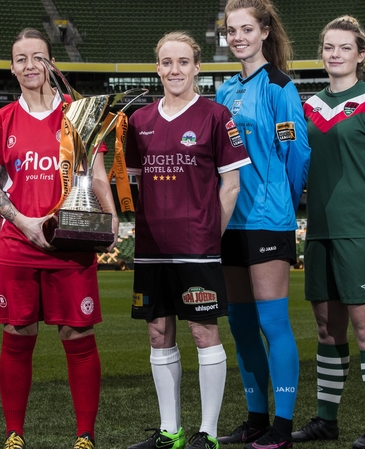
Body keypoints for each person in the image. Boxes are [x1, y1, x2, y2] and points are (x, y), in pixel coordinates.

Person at [0, 28, 118, 449]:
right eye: (20, 59)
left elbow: (95, 175)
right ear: (12, 67)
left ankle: (85, 435)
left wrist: (111, 218)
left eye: (37, 58)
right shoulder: (0, 120)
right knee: (18, 335)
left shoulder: (81, 115)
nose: (29, 66)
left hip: (71, 243)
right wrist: (25, 222)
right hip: (18, 245)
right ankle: (14, 433)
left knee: (77, 336)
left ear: (51, 64)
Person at [125, 31, 250, 449]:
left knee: (202, 332)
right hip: (151, 248)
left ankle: (208, 433)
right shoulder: (138, 121)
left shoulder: (216, 116)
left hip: (198, 245)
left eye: (182, 62)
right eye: (166, 62)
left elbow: (230, 186)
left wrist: (209, 238)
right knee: (158, 332)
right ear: (157, 67)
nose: (174, 70)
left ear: (197, 67)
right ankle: (170, 431)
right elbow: (133, 184)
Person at [293, 16, 365, 449]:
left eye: (344, 47)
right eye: (328, 47)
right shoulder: (310, 107)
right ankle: (327, 420)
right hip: (320, 230)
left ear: (360, 55)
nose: (334, 54)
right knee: (326, 328)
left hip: (361, 231)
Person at [215, 1, 311, 447]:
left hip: (269, 221)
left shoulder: (280, 87)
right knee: (240, 324)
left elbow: (298, 155)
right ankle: (255, 417)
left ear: (265, 31)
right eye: (231, 30)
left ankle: (283, 425)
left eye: (246, 29)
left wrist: (282, 206)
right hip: (231, 223)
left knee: (273, 323)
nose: (237, 37)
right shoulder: (224, 90)